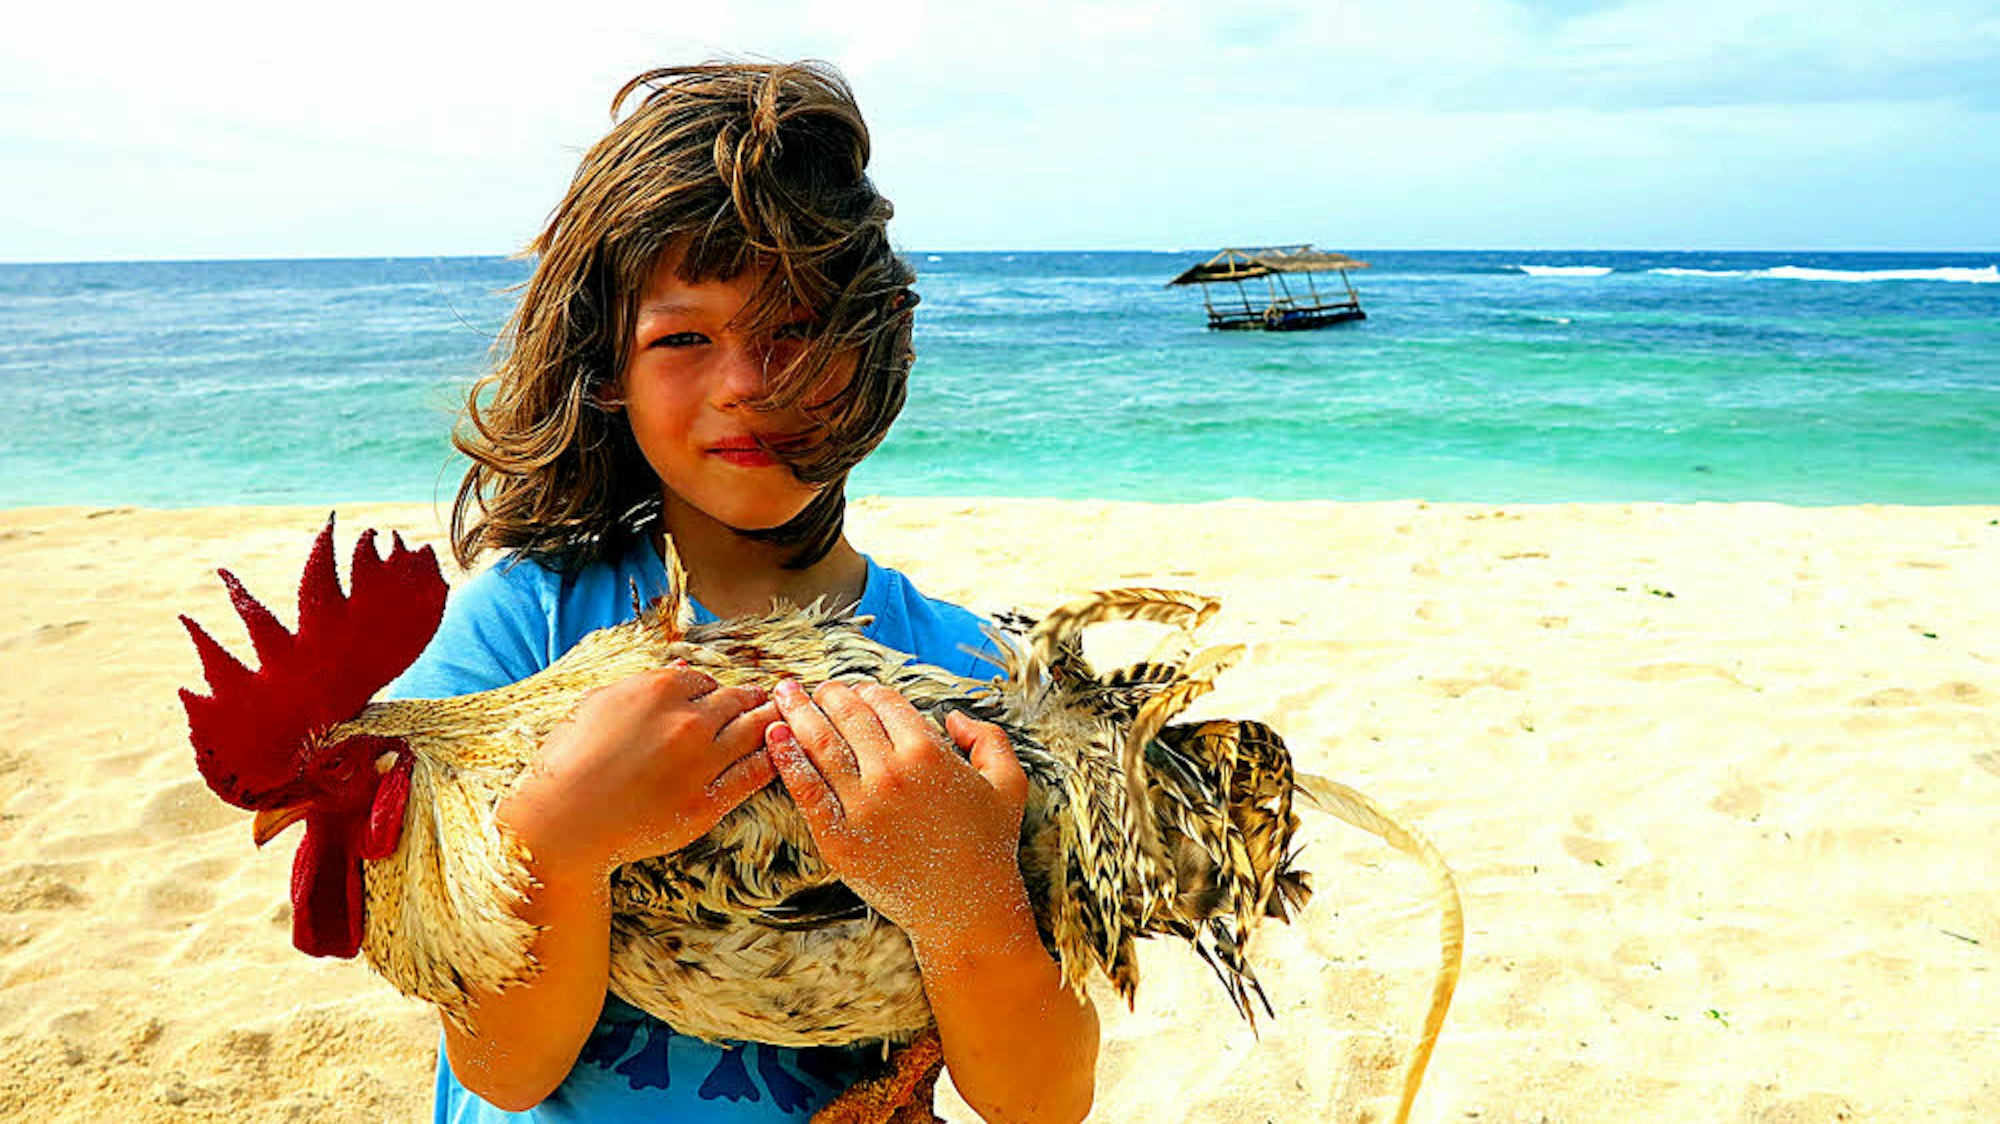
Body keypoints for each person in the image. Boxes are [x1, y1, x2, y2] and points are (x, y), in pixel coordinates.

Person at [385, 62, 1099, 1123]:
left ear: (873, 347)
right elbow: (503, 1066)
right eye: (682, 337)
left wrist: (963, 896)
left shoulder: (958, 671)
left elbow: (1042, 1101)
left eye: (798, 326)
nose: (746, 381)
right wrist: (556, 841)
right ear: (608, 370)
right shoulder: (526, 623)